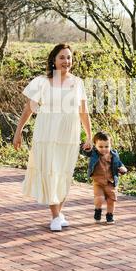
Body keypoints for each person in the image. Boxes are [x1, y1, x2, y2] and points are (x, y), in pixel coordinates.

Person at [13, 43, 92, 231]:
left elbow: (83, 111)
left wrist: (89, 135)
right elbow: (28, 109)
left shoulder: (78, 82)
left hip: (69, 135)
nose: (66, 61)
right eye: (62, 57)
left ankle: (59, 212)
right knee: (50, 171)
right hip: (46, 133)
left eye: (69, 57)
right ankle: (55, 216)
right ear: (54, 60)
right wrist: (18, 132)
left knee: (64, 173)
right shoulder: (42, 81)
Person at [80, 131, 127, 224]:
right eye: (100, 147)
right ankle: (98, 210)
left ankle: (110, 215)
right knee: (99, 198)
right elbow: (86, 152)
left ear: (110, 145)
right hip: (98, 182)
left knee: (111, 200)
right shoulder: (94, 153)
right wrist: (86, 147)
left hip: (111, 182)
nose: (104, 149)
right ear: (95, 146)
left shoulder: (114, 154)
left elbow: (119, 164)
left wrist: (123, 168)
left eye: (106, 146)